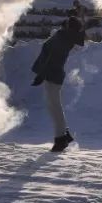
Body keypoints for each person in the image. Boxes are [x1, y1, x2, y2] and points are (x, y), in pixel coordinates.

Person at [30, 17, 86, 152]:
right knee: (54, 107)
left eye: (66, 23)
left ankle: (61, 139)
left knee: (54, 108)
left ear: (68, 27)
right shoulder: (64, 36)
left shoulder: (62, 38)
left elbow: (51, 59)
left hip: (52, 75)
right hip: (53, 74)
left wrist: (41, 76)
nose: (63, 24)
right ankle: (64, 134)